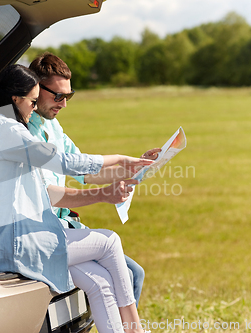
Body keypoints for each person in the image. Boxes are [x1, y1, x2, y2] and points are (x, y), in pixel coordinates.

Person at [0, 64, 151, 333]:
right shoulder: (3, 128)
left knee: (99, 281)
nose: (32, 109)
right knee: (110, 242)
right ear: (15, 99)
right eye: (32, 101)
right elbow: (63, 162)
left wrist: (131, 168)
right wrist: (121, 158)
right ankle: (135, 329)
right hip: (15, 242)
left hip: (14, 237)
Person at [28, 52, 160, 307]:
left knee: (134, 273)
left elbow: (87, 173)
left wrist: (137, 167)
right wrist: (103, 195)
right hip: (48, 233)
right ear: (35, 88)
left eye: (69, 96)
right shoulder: (25, 131)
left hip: (65, 226)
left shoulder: (53, 127)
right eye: (58, 96)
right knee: (128, 274)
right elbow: (48, 194)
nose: (64, 103)